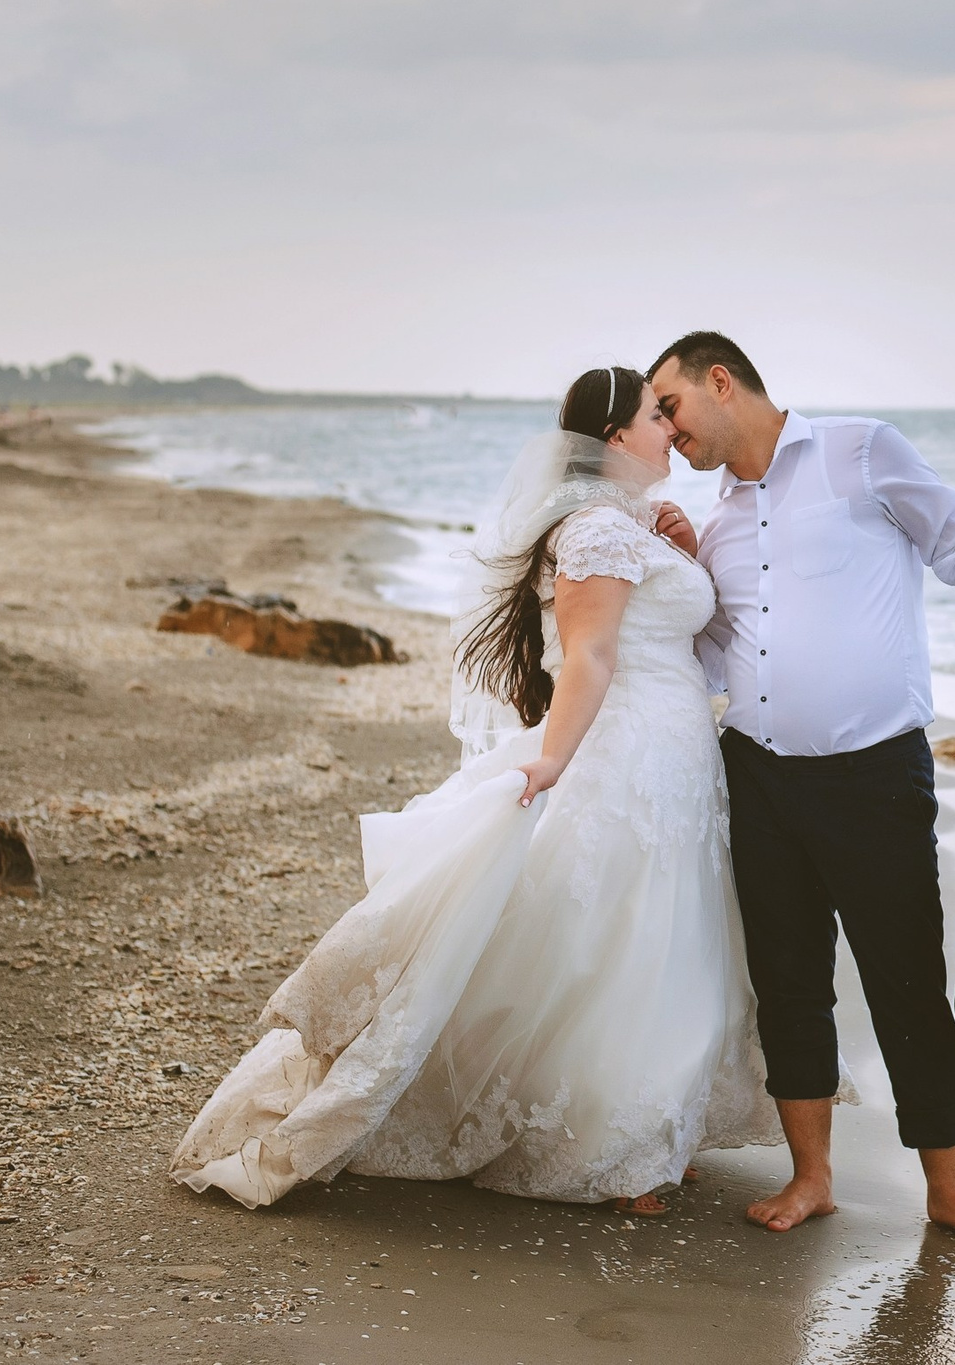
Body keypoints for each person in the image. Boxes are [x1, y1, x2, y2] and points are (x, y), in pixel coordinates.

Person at [169, 367, 773, 1213]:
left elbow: (682, 629)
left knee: (669, 939)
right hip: (628, 747)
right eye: (654, 414)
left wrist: (684, 549)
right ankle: (609, 1149)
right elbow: (591, 656)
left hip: (680, 753)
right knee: (619, 939)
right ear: (615, 440)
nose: (670, 428)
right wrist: (555, 760)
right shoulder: (597, 530)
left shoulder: (632, 525)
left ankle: (651, 1130)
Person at [647, 331, 955, 1251]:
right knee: (787, 985)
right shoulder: (717, 520)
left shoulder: (860, 450)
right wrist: (675, 570)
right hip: (758, 776)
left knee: (906, 983)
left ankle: (950, 1189)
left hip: (873, 776)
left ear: (719, 381)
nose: (666, 431)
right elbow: (714, 653)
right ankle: (811, 1176)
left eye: (670, 407)